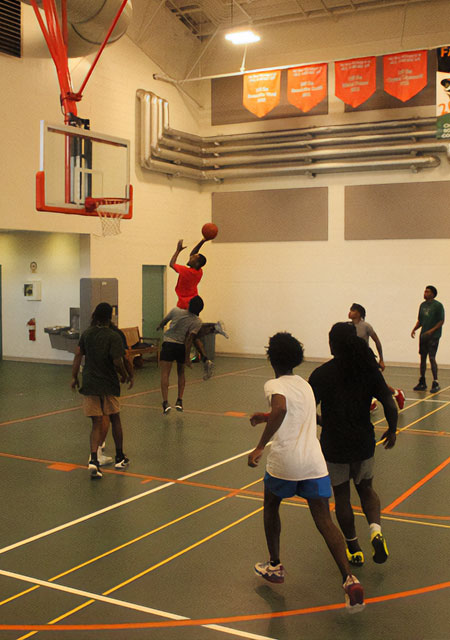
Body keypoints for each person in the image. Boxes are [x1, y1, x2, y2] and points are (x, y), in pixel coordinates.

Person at [248, 332, 365, 614]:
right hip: (314, 463)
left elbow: (281, 407)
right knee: (324, 520)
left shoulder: (273, 384)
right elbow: (299, 413)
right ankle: (349, 579)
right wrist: (264, 417)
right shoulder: (305, 385)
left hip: (285, 463)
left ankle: (274, 565)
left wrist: (260, 445)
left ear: (271, 358)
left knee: (271, 507)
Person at [309, 322, 397, 568]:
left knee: (343, 497)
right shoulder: (368, 369)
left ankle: (354, 547)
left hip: (334, 444)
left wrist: (322, 421)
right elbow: (389, 403)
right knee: (367, 490)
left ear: (332, 344)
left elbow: (307, 410)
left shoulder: (321, 374)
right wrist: (392, 429)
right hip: (363, 442)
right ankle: (375, 531)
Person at [71, 302, 134, 478]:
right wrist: (125, 375)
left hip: (90, 383)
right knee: (115, 418)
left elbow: (78, 355)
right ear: (110, 317)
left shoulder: (87, 334)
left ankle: (93, 460)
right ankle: (120, 457)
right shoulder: (112, 336)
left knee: (96, 423)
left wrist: (74, 376)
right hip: (107, 383)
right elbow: (118, 360)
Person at [157, 295, 213, 414]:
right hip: (181, 347)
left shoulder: (176, 311)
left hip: (168, 343)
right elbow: (189, 340)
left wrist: (160, 326)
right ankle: (179, 400)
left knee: (165, 373)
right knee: (181, 373)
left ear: (189, 304)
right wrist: (187, 357)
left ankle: (165, 402)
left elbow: (164, 321)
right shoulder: (197, 322)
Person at [348, 303, 405, 410]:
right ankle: (371, 402)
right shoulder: (348, 326)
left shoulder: (366, 326)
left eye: (353, 310)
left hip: (366, 360)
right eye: (350, 310)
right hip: (354, 360)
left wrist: (381, 359)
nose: (350, 312)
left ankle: (396, 393)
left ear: (359, 313)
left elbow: (377, 341)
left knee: (376, 383)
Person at [411, 285, 445, 392]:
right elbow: (420, 320)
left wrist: (431, 331)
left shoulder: (438, 306)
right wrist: (414, 329)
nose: (425, 293)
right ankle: (422, 381)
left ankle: (435, 382)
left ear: (433, 294)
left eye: (427, 292)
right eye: (425, 291)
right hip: (423, 336)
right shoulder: (422, 305)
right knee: (422, 358)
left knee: (432, 357)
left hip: (433, 337)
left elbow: (441, 321)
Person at [170, 238, 208, 310]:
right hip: (194, 302)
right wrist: (203, 241)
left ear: (196, 263)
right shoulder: (199, 271)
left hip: (184, 304)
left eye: (193, 258)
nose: (191, 257)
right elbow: (193, 253)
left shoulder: (186, 272)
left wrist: (178, 251)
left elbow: (172, 264)